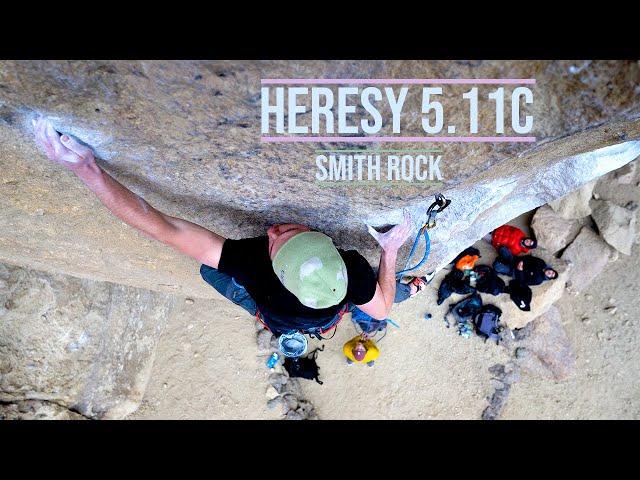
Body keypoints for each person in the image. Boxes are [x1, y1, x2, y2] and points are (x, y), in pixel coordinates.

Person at [32, 118, 425, 344]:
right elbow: (382, 308)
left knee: (208, 270)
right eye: (288, 232)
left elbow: (163, 227)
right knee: (212, 274)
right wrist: (389, 252)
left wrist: (87, 170)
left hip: (277, 315)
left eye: (276, 244)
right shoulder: (354, 270)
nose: (271, 232)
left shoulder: (251, 264)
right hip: (311, 320)